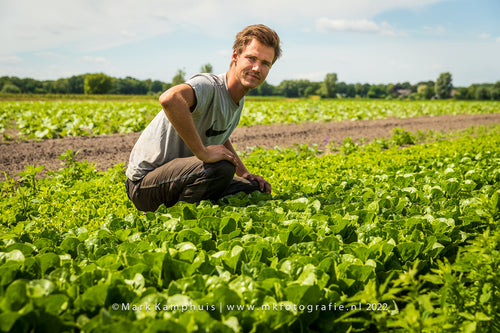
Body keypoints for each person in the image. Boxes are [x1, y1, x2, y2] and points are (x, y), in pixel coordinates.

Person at [125, 24, 282, 212]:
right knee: (221, 168)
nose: (257, 68)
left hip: (180, 178)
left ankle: (201, 203)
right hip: (145, 185)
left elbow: (219, 137)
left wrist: (245, 173)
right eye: (251, 58)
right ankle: (182, 215)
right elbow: (170, 99)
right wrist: (202, 153)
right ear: (235, 56)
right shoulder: (209, 86)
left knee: (254, 189)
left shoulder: (237, 100)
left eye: (265, 63)